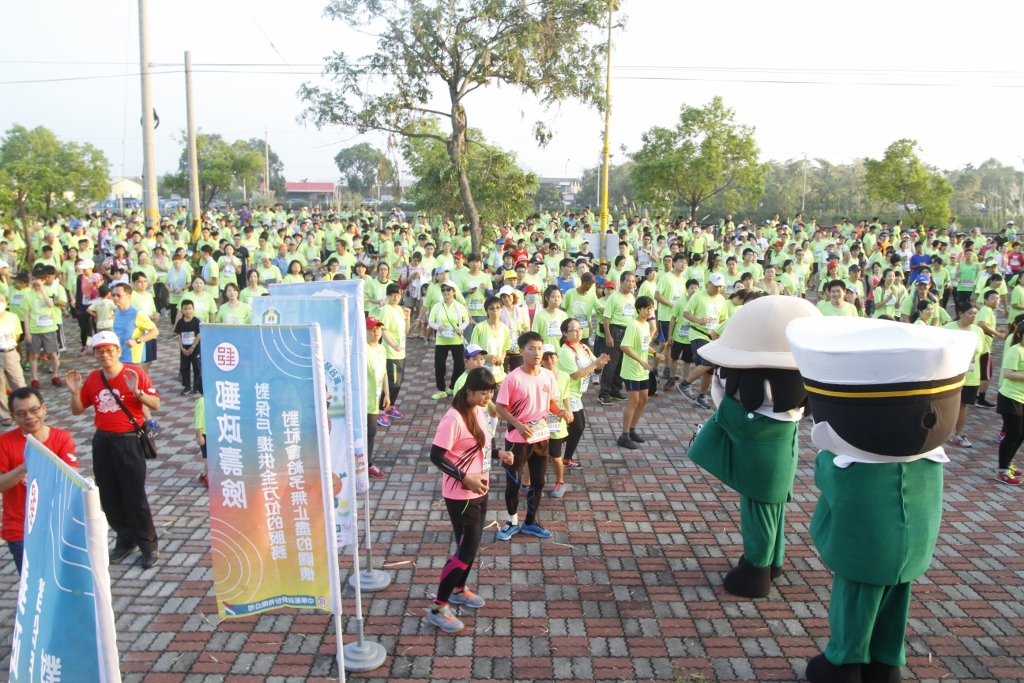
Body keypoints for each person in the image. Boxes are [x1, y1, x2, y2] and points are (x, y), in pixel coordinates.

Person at [788, 316, 974, 683]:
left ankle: (844, 661)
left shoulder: (846, 464)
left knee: (855, 601)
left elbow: (827, 478)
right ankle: (887, 661)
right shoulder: (932, 461)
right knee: (897, 597)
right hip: (912, 548)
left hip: (863, 550)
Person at [687, 296, 821, 598]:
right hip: (784, 443)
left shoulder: (747, 416)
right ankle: (774, 560)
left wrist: (719, 386)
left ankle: (756, 569)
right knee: (774, 508)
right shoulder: (794, 411)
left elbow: (723, 408)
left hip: (760, 454)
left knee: (757, 508)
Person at [66, 331, 162, 569]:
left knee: (134, 496)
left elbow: (156, 404)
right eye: (100, 351)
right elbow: (78, 411)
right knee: (109, 496)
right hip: (103, 442)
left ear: (119, 351)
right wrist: (75, 392)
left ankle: (148, 545)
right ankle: (125, 539)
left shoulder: (135, 373)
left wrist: (136, 391)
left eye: (109, 350)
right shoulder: (93, 378)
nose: (105, 355)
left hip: (129, 442)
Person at [427, 367, 507, 633]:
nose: (488, 397)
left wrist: (498, 455)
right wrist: (465, 478)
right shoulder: (453, 418)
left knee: (471, 547)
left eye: (490, 392)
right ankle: (438, 606)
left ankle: (459, 589)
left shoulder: (479, 411)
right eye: (483, 392)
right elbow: (437, 457)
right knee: (465, 550)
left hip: (480, 490)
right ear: (469, 391)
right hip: (461, 495)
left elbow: (478, 447)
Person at [0, 387, 77, 573]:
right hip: (20, 527)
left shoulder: (61, 437)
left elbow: (72, 478)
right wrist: (24, 467)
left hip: (57, 524)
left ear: (44, 408)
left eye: (34, 410)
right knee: (32, 583)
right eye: (21, 413)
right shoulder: (4, 442)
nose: (29, 417)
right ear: (13, 416)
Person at [494, 331, 563, 541]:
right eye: (531, 348)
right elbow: (500, 406)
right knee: (514, 485)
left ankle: (530, 523)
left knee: (539, 482)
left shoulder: (548, 375)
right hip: (517, 441)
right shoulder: (513, 378)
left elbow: (551, 403)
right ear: (521, 350)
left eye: (540, 348)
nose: (536, 353)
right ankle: (512, 522)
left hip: (541, 438)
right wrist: (518, 424)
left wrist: (561, 412)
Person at [556, 318, 609, 470]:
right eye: (574, 329)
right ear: (565, 333)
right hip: (567, 394)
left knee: (577, 427)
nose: (578, 331)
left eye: (579, 328)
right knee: (576, 427)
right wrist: (595, 364)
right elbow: (576, 375)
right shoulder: (565, 351)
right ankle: (556, 454)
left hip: (577, 394)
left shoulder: (583, 347)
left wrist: (602, 360)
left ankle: (561, 456)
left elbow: (595, 362)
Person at [678, 273, 729, 409]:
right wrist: (698, 320)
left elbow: (723, 319)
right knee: (709, 361)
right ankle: (685, 383)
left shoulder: (722, 300)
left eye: (720, 287)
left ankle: (702, 395)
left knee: (709, 369)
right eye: (716, 286)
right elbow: (686, 313)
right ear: (709, 284)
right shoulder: (698, 296)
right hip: (698, 334)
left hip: (713, 335)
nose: (718, 289)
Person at [617, 296, 661, 449]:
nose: (650, 311)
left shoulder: (645, 326)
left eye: (651, 308)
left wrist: (655, 354)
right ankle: (624, 435)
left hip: (643, 370)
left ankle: (632, 430)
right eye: (647, 308)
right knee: (634, 401)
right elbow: (625, 346)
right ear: (639, 309)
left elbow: (644, 346)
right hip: (632, 370)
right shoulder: (633, 325)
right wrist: (640, 360)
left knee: (643, 400)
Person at [944, 301, 985, 449]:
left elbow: (982, 351)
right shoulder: (949, 329)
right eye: (970, 313)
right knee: (947, 405)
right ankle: (939, 433)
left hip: (971, 375)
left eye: (975, 313)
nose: (973, 316)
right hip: (951, 373)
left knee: (963, 406)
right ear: (960, 313)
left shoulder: (978, 331)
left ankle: (959, 434)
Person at [598, 271, 637, 405]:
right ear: (621, 282)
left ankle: (615, 390)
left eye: (633, 281)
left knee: (621, 363)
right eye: (628, 281)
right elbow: (606, 318)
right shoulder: (614, 297)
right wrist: (609, 335)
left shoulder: (632, 298)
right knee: (610, 364)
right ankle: (604, 393)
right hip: (615, 331)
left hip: (627, 332)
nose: (631, 284)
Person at [428, 281, 470, 400]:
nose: (445, 292)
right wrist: (438, 327)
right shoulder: (437, 306)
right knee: (439, 365)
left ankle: (453, 387)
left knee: (459, 365)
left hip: (456, 340)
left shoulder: (460, 306)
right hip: (441, 340)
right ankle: (441, 389)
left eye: (448, 289)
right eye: (443, 290)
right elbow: (431, 321)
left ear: (454, 291)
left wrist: (461, 328)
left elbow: (466, 320)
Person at [22, 270, 63, 387]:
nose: (36, 282)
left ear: (44, 280)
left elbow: (50, 304)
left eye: (39, 279)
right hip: (35, 329)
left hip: (49, 329)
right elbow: (26, 315)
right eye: (34, 279)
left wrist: (43, 291)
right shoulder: (28, 295)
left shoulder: (50, 291)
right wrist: (27, 333)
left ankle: (55, 375)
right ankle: (34, 378)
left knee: (53, 355)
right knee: (34, 355)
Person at [996, 318, 1024, 485]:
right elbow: (1008, 373)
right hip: (1010, 397)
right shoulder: (1016, 350)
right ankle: (1002, 470)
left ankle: (1008, 463)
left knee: (1021, 434)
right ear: (1020, 334)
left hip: (1021, 398)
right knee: (1013, 433)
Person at [365, 316, 390, 478]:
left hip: (375, 399)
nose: (376, 331)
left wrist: (387, 394)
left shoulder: (381, 349)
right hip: (362, 399)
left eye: (378, 328)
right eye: (372, 328)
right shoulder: (361, 350)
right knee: (362, 433)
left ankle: (368, 464)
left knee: (371, 432)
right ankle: (359, 464)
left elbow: (384, 372)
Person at [379, 283, 407, 423]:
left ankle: (391, 407)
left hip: (401, 352)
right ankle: (380, 410)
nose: (396, 297)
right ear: (388, 296)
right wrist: (393, 345)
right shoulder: (386, 310)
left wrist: (408, 317)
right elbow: (383, 330)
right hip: (391, 353)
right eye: (392, 294)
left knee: (399, 382)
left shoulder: (400, 309)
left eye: (398, 294)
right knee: (391, 383)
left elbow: (406, 331)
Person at [0, 293, 27, 427]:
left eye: (1, 300)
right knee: (0, 386)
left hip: (10, 352)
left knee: (19, 383)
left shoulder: (12, 317)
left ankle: (28, 409)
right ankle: (5, 415)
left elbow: (17, 335)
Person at [174, 299, 202, 395]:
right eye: (185, 309)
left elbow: (199, 335)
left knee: (196, 367)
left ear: (193, 309)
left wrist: (193, 346)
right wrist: (181, 347)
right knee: (184, 367)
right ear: (182, 310)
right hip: (184, 349)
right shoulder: (181, 322)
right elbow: (178, 335)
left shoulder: (196, 321)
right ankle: (187, 386)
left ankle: (196, 386)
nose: (188, 311)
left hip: (195, 349)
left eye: (190, 308)